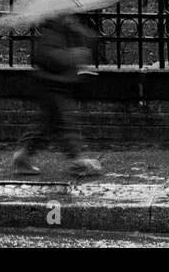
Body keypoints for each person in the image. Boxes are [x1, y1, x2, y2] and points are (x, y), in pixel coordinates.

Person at [12, 11, 103, 177]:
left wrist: (77, 30)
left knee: (46, 125)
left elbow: (91, 38)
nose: (69, 16)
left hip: (61, 83)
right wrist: (73, 56)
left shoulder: (65, 30)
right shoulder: (50, 34)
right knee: (65, 122)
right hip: (51, 85)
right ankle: (76, 159)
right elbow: (45, 57)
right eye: (64, 14)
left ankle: (23, 156)